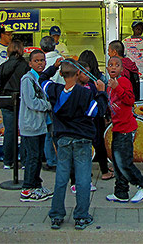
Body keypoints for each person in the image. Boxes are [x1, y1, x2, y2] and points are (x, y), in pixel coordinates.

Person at [42, 59, 98, 230]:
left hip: (63, 139)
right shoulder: (85, 93)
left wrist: (54, 66)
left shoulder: (54, 90)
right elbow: (95, 111)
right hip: (82, 139)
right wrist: (101, 93)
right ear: (78, 74)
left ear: (61, 74)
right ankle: (81, 216)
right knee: (82, 179)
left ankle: (57, 215)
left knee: (61, 178)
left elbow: (42, 79)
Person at [105, 56, 143, 202]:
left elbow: (130, 100)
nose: (113, 67)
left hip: (126, 129)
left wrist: (117, 87)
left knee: (123, 162)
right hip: (117, 128)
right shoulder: (109, 85)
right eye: (110, 65)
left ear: (121, 68)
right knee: (117, 162)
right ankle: (121, 192)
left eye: (117, 65)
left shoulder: (123, 81)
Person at [19, 50, 53, 202]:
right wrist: (48, 105)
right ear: (30, 63)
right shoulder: (27, 79)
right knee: (32, 157)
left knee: (38, 157)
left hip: (39, 125)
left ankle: (36, 185)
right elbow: (31, 101)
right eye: (37, 61)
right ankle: (27, 189)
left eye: (42, 60)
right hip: (30, 125)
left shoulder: (39, 78)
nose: (40, 63)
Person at [0, 39, 30, 169]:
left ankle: (7, 161)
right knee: (24, 132)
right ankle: (25, 161)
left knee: (9, 132)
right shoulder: (25, 66)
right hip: (22, 101)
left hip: (6, 100)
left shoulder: (3, 66)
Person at [78, 50, 113, 180]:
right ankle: (104, 170)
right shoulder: (99, 79)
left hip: (82, 121)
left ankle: (85, 171)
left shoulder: (76, 84)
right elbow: (106, 98)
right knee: (99, 143)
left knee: (83, 147)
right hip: (96, 118)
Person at [39, 36, 63, 171]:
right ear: (55, 46)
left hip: (45, 103)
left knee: (48, 133)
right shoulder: (62, 60)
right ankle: (62, 160)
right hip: (61, 101)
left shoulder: (41, 63)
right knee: (59, 133)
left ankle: (51, 161)